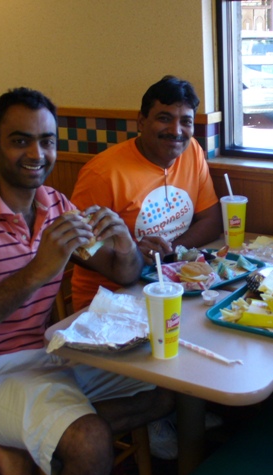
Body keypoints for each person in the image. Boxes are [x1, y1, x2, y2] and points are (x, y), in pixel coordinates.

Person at [0, 87, 173, 475]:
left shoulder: (55, 204)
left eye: (47, 141)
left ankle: (23, 440)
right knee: (88, 441)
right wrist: (38, 271)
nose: (37, 155)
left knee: (164, 385)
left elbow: (120, 272)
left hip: (46, 355)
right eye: (20, 141)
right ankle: (46, 435)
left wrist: (125, 246)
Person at [70, 75, 222, 311]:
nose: (176, 131)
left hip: (170, 284)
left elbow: (212, 220)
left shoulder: (192, 151)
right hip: (108, 301)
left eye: (186, 121)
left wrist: (169, 251)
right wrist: (131, 253)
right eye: (164, 119)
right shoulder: (102, 173)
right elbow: (79, 248)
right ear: (141, 121)